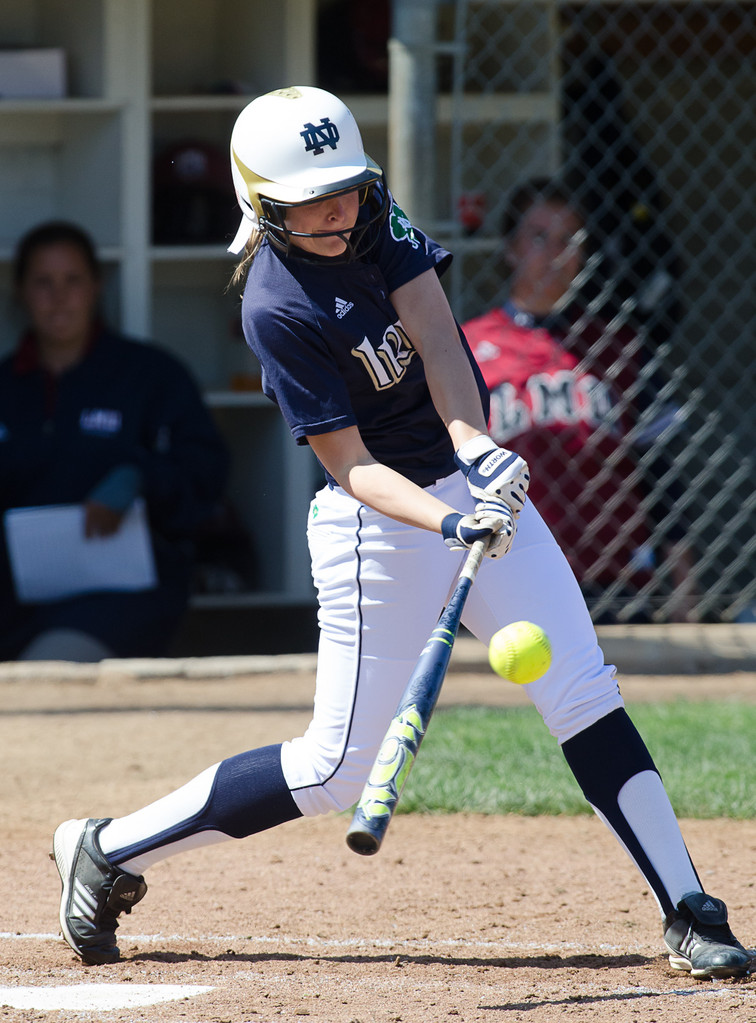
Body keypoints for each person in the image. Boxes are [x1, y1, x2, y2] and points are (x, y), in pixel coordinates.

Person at [51, 87, 750, 979]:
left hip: (466, 483)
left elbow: (435, 334)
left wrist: (473, 445)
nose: (337, 211)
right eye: (311, 200)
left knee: (583, 690)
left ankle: (688, 906)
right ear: (262, 204)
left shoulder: (374, 214)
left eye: (345, 188)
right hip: (373, 521)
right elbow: (351, 466)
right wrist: (451, 515)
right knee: (335, 768)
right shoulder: (275, 306)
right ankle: (109, 847)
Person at [462, 178, 696, 622]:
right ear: (510, 249)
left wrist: (684, 581)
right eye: (538, 237)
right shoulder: (470, 347)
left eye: (568, 239)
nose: (555, 252)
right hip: (511, 570)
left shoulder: (618, 346)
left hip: (614, 574)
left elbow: (659, 468)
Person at [0, 221, 230, 661]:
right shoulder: (5, 385)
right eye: (43, 282)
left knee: (48, 670)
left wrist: (139, 475)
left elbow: (205, 472)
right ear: (21, 292)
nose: (59, 296)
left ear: (96, 287)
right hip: (15, 598)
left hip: (122, 596)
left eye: (73, 281)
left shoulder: (149, 376)